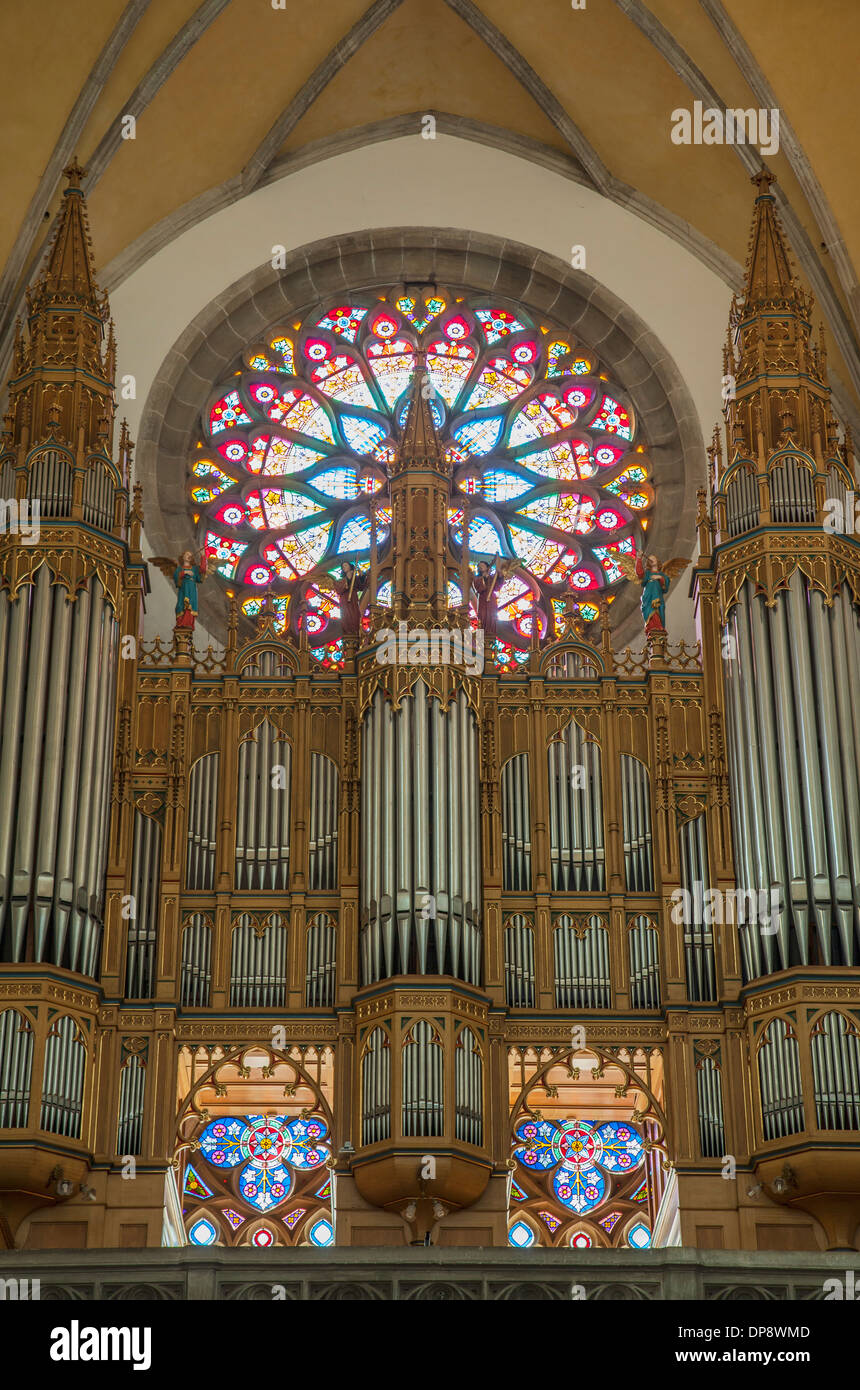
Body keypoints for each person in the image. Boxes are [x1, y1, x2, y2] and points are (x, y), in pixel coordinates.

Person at [172, 549, 207, 630]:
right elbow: (176, 577)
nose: (189, 556)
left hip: (192, 589)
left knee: (191, 605)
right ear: (183, 557)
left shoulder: (194, 568)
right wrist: (185, 573)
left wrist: (203, 556)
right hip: (184, 589)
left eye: (190, 555)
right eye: (187, 554)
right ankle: (181, 623)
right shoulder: (179, 569)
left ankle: (188, 623)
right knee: (181, 604)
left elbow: (203, 570)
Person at [334, 561, 368, 635]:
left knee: (355, 614)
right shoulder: (341, 580)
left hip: (353, 598)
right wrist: (348, 579)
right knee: (346, 615)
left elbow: (361, 587)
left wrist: (362, 576)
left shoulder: (355, 578)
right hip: (345, 599)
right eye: (343, 567)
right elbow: (339, 589)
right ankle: (347, 631)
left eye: (346, 565)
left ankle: (355, 630)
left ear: (350, 567)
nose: (344, 567)